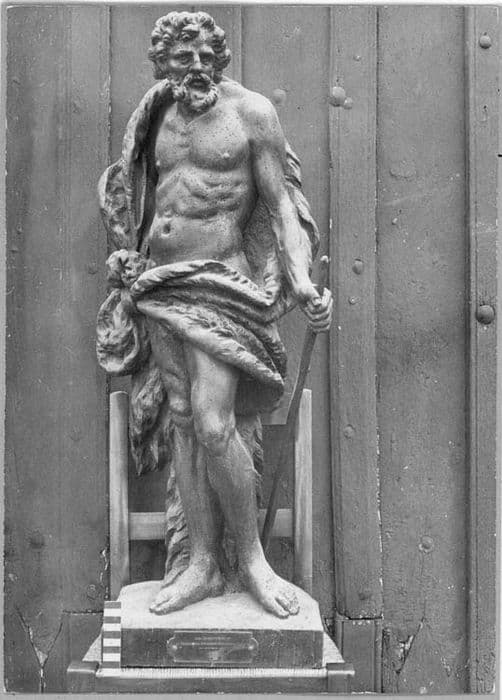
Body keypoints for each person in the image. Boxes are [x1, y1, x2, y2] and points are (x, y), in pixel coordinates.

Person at [96, 11, 332, 618]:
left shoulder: (252, 114)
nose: (196, 67)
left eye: (206, 56)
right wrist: (131, 256)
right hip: (161, 285)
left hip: (223, 284)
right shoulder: (154, 117)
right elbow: (144, 197)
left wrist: (301, 280)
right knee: (182, 419)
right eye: (183, 58)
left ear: (220, 59)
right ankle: (201, 564)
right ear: (163, 65)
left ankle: (252, 561)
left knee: (212, 422)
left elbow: (280, 208)